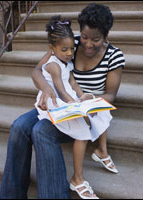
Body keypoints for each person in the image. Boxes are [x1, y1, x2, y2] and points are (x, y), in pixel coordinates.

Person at [0, 3, 125, 199]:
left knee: (40, 131)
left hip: (84, 110)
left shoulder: (114, 56)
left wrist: (88, 101)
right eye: (84, 37)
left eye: (96, 39)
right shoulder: (68, 44)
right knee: (18, 127)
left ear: (106, 36)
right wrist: (46, 88)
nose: (88, 44)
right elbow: (37, 70)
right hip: (58, 104)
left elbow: (110, 95)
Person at [35, 15, 116, 199]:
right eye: (64, 49)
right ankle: (77, 179)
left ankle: (101, 151)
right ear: (52, 49)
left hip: (69, 99)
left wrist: (82, 97)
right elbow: (61, 89)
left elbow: (73, 83)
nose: (70, 53)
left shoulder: (66, 61)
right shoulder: (54, 65)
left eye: (72, 48)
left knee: (99, 111)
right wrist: (74, 104)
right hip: (55, 102)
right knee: (82, 131)